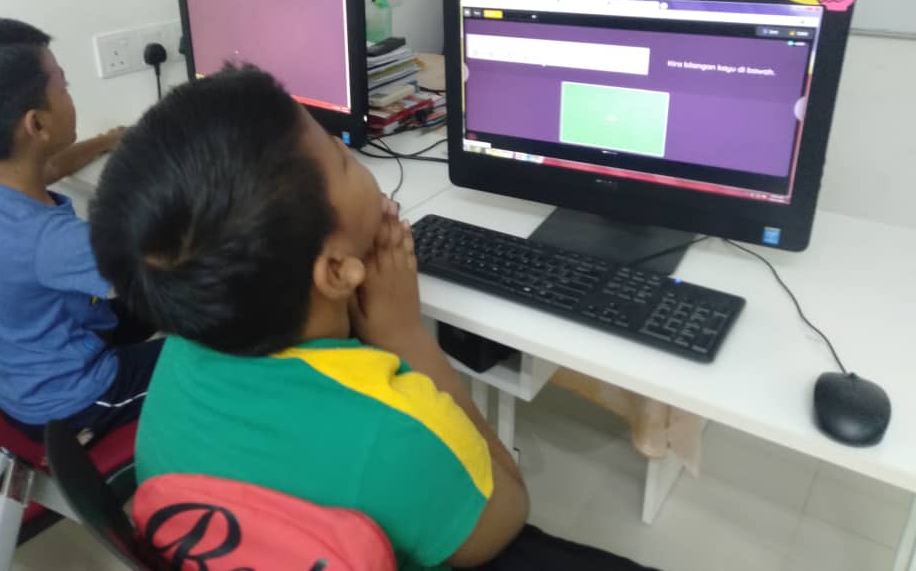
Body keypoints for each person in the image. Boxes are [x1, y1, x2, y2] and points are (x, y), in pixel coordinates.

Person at [89, 65, 655, 570]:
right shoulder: (396, 431)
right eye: (343, 159)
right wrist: (405, 337)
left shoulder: (186, 345)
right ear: (336, 272)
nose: (354, 159)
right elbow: (506, 516)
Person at [0, 17, 162, 440]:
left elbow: (48, 167)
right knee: (216, 354)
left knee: (157, 309)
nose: (69, 93)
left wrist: (109, 139)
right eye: (64, 87)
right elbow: (167, 262)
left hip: (25, 374)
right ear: (36, 124)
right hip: (73, 401)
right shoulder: (51, 242)